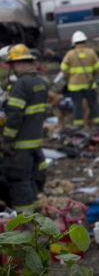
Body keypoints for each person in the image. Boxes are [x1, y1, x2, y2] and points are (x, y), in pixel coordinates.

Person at [1, 44, 48, 212]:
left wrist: (7, 140)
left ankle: (26, 225)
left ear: (18, 63)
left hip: (20, 147)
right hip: (35, 144)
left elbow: (14, 117)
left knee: (19, 184)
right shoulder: (41, 83)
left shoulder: (21, 85)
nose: (12, 69)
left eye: (12, 65)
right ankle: (36, 219)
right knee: (31, 183)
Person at [60, 31, 99, 128]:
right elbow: (98, 68)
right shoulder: (91, 52)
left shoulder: (70, 54)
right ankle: (98, 122)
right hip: (89, 84)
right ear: (85, 41)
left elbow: (63, 68)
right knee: (93, 104)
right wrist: (91, 74)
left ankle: (78, 124)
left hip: (75, 85)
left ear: (74, 42)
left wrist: (69, 77)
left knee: (77, 105)